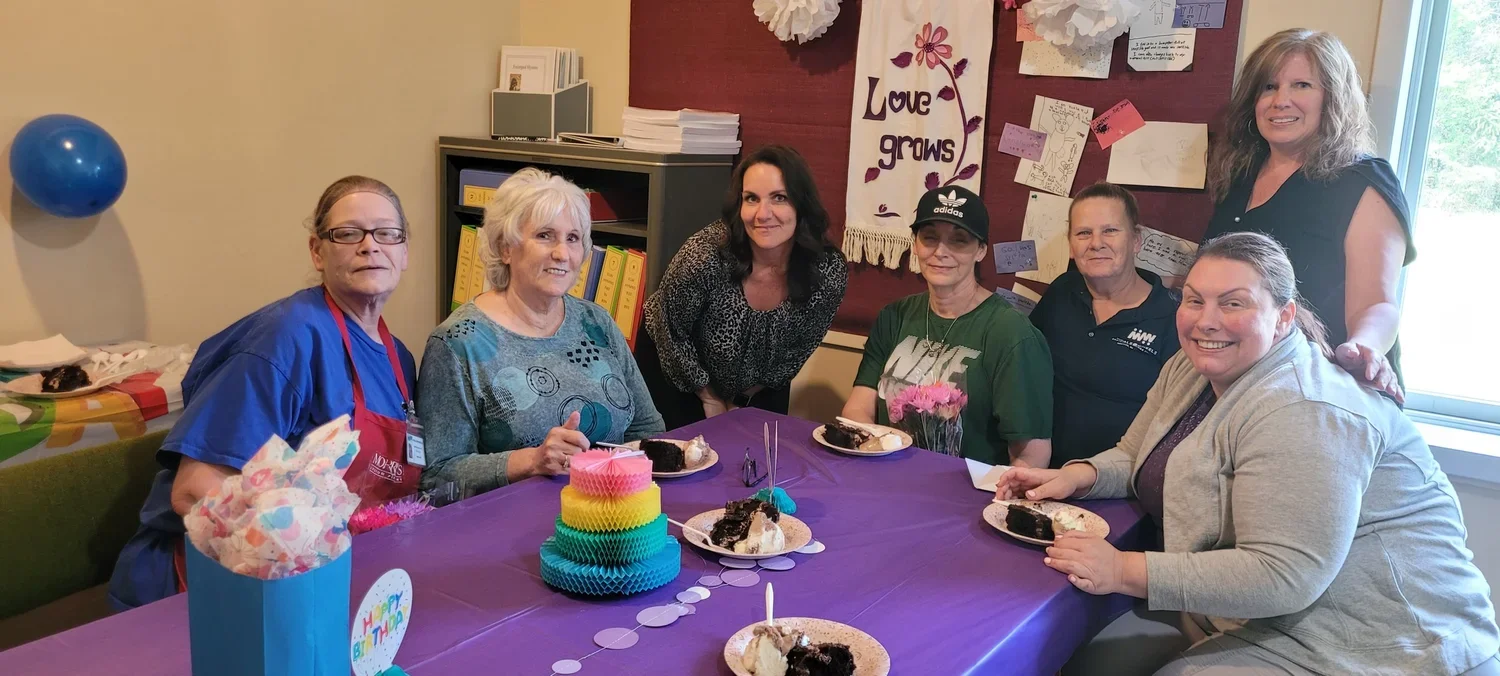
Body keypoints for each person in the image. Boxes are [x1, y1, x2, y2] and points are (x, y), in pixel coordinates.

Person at [1000, 232, 1499, 675]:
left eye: (1233, 303)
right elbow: (1138, 453)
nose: (1206, 320)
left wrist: (1123, 570)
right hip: (1255, 621)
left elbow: (1282, 573)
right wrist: (1076, 476)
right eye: (1193, 300)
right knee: (1080, 657)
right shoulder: (1191, 366)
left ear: (1283, 317)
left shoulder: (1303, 406)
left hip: (1383, 646)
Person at [108, 176, 420, 610]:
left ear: (405, 252)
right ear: (317, 251)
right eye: (348, 234)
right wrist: (302, 553)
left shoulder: (398, 358)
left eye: (387, 233)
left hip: (331, 580)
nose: (370, 246)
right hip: (214, 593)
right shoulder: (285, 337)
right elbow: (196, 489)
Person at [418, 168, 664, 500]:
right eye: (545, 235)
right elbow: (437, 478)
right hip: (512, 532)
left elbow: (647, 430)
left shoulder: (597, 322)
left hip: (611, 516)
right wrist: (531, 461)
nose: (562, 254)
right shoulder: (458, 343)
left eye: (573, 238)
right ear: (506, 248)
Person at [1203, 28, 1414, 402]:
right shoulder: (1239, 174)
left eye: (1301, 85)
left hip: (1323, 391)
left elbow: (1378, 304)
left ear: (1332, 98)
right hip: (1242, 389)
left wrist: (1363, 349)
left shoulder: (1360, 180)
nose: (1280, 101)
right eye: (1268, 87)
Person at [638, 145, 847, 429]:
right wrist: (710, 398)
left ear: (802, 204)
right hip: (677, 371)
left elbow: (797, 349)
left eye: (779, 198)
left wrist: (743, 401)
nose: (763, 214)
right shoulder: (705, 256)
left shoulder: (827, 270)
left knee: (759, 464)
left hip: (763, 385)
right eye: (751, 198)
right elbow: (669, 330)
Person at [842, 185, 1053, 467]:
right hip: (887, 482)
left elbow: (1032, 457)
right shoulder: (895, 316)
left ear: (980, 250)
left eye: (959, 241)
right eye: (929, 238)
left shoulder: (1012, 334)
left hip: (967, 497)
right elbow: (857, 408)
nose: (941, 251)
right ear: (915, 243)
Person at [1031, 182, 1180, 468]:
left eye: (1110, 230)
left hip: (1121, 488)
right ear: (1071, 246)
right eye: (1084, 233)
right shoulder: (1062, 292)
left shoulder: (1171, 319)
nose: (1096, 242)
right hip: (1042, 473)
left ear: (1136, 240)